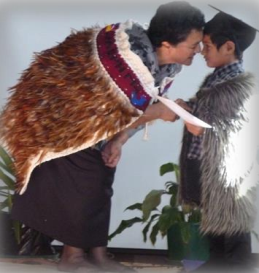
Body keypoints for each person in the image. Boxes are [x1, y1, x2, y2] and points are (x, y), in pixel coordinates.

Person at [0, 1, 205, 272]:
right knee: (87, 182)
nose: (199, 50)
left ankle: (97, 255)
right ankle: (72, 258)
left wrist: (118, 141)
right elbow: (110, 109)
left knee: (102, 179)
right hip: (61, 123)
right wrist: (158, 112)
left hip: (93, 128)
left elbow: (131, 106)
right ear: (167, 45)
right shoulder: (127, 57)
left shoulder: (165, 66)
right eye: (194, 45)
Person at [176, 8, 258, 273]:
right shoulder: (218, 78)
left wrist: (204, 132)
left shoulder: (240, 85)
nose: (202, 51)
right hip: (213, 174)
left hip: (231, 181)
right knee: (218, 232)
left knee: (234, 238)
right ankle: (217, 263)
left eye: (208, 46)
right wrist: (189, 107)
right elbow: (212, 112)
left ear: (229, 47)